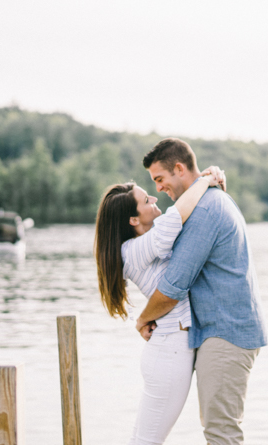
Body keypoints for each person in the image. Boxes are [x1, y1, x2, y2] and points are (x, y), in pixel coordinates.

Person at [135, 138, 267, 445]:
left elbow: (172, 288)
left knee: (221, 433)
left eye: (160, 179)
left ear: (179, 169)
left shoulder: (206, 210)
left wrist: (142, 320)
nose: (158, 189)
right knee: (219, 428)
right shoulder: (208, 200)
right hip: (225, 332)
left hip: (225, 334)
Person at [94, 166, 226, 445]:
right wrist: (204, 180)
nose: (154, 200)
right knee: (146, 441)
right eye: (146, 201)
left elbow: (188, 223)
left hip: (172, 347)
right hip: (169, 350)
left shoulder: (146, 245)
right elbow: (176, 216)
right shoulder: (133, 250)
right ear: (133, 219)